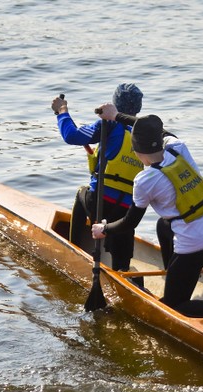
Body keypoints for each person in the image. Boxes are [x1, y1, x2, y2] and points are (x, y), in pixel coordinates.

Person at [90, 105, 203, 342]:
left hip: (197, 244)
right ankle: (175, 274)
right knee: (164, 224)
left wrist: (104, 229)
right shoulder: (177, 148)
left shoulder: (146, 179)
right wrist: (117, 116)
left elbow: (130, 222)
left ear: (136, 149)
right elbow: (153, 128)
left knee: (173, 306)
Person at [50, 84, 144, 272]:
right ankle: (122, 270)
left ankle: (73, 251)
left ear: (115, 104)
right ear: (138, 108)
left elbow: (71, 135)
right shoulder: (143, 133)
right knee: (124, 234)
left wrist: (62, 111)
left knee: (81, 193)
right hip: (127, 211)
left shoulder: (108, 125)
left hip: (100, 203)